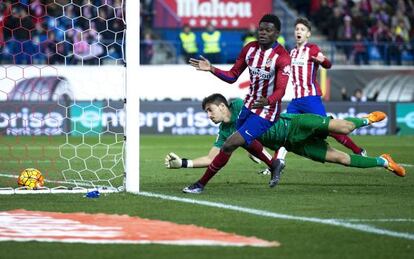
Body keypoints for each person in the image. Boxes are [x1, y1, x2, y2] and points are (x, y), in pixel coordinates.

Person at [165, 94, 406, 193]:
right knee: (340, 159)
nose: (209, 115)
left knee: (343, 127)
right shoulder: (226, 132)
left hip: (294, 124)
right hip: (292, 143)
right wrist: (183, 164)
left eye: (210, 110)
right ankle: (383, 161)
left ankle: (367, 119)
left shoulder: (239, 104)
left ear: (221, 105)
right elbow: (211, 158)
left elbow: (264, 100)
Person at [187, 14, 291, 193]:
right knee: (246, 142)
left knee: (229, 144)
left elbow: (281, 90)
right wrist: (212, 69)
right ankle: (274, 164)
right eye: (261, 29)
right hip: (249, 105)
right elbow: (232, 76)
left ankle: (200, 184)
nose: (263, 33)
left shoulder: (282, 57)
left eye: (268, 30)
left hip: (267, 110)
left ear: (277, 33)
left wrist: (269, 100)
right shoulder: (249, 49)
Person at [274, 17, 367, 177]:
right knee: (285, 131)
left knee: (329, 128)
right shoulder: (292, 52)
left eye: (302, 29)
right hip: (296, 101)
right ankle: (275, 165)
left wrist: (323, 60)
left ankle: (358, 150)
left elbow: (328, 64)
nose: (298, 32)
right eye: (297, 29)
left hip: (311, 99)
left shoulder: (312, 49)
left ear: (308, 34)